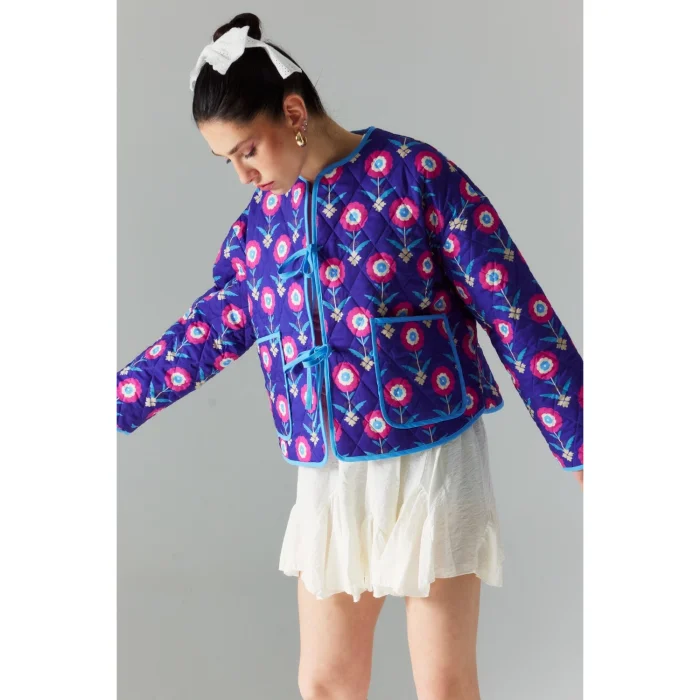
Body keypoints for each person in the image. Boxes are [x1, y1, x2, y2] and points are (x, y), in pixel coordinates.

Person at [117, 12, 583, 700]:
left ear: (293, 112)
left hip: (433, 457)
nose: (242, 175)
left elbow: (513, 306)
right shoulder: (258, 231)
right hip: (331, 473)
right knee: (326, 682)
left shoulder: (416, 176)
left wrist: (583, 439)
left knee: (444, 684)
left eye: (247, 150)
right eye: (227, 161)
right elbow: (207, 330)